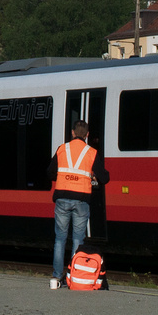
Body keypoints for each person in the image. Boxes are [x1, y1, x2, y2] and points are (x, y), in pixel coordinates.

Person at [48, 120, 107, 289]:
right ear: (87, 135)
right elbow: (104, 178)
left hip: (62, 198)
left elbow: (50, 172)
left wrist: (62, 177)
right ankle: (74, 275)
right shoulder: (92, 152)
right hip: (81, 200)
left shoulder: (62, 149)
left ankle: (57, 276)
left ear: (73, 133)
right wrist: (92, 177)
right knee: (77, 239)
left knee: (59, 239)